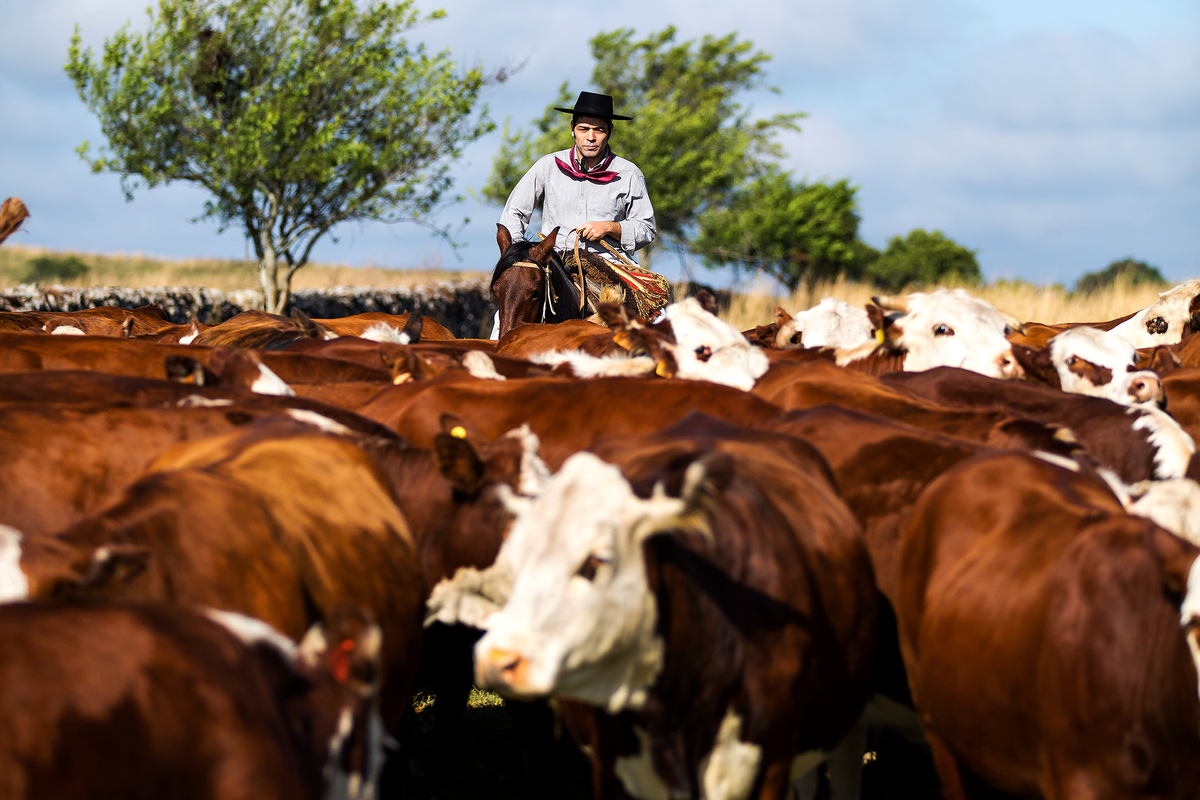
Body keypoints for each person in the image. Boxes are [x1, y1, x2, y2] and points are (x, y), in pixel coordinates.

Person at [495, 91, 665, 334]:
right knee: (504, 318)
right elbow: (514, 213)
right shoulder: (547, 166)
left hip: (609, 265)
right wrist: (521, 258)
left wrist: (611, 227)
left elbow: (646, 229)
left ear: (610, 131)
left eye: (599, 130)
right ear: (572, 129)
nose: (591, 137)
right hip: (551, 262)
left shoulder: (629, 173)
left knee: (657, 320)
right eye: (584, 129)